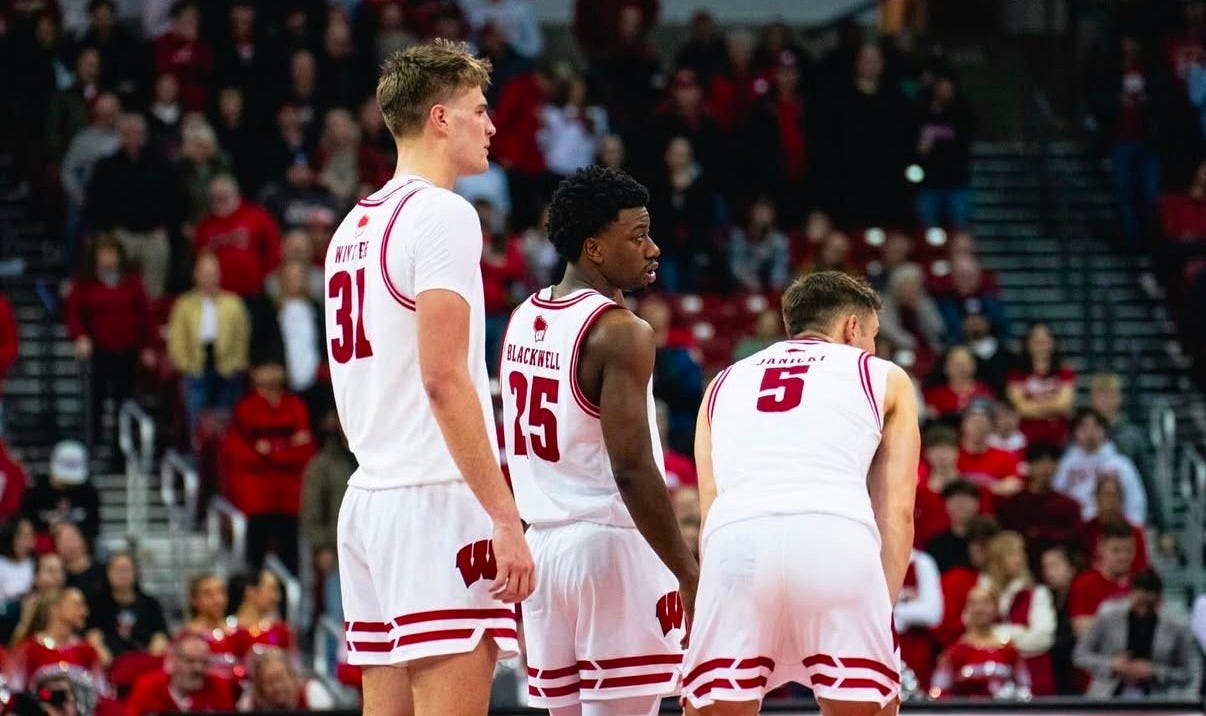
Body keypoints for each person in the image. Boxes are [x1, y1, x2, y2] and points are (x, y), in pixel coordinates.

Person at [324, 41, 533, 716]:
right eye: (479, 109)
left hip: (370, 498)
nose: (491, 125)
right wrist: (504, 513)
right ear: (441, 118)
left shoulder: (350, 228)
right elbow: (444, 379)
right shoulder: (443, 214)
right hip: (433, 498)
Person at [499, 166, 697, 714]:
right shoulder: (622, 332)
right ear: (595, 249)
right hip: (610, 549)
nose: (653, 248)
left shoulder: (522, 317)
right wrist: (688, 570)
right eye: (638, 236)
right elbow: (631, 469)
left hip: (545, 550)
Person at [682, 271, 919, 714]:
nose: (872, 348)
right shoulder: (883, 376)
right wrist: (876, 605)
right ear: (852, 327)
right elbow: (897, 511)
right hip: (834, 538)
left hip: (737, 546)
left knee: (715, 706)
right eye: (872, 336)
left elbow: (710, 506)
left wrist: (716, 590)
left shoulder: (722, 383)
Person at [1073, 569, 1196, 698]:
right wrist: (1112, 664)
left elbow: (1186, 674)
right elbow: (1080, 655)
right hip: (1107, 696)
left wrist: (1155, 671)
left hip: (1155, 699)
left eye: (1150, 605)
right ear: (1130, 595)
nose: (1143, 611)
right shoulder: (1108, 616)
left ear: (1160, 600)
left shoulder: (1175, 626)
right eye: (1139, 603)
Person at [125, 631, 235, 715]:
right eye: (190, 661)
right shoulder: (149, 686)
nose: (198, 668)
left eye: (204, 662)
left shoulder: (217, 687)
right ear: (172, 660)